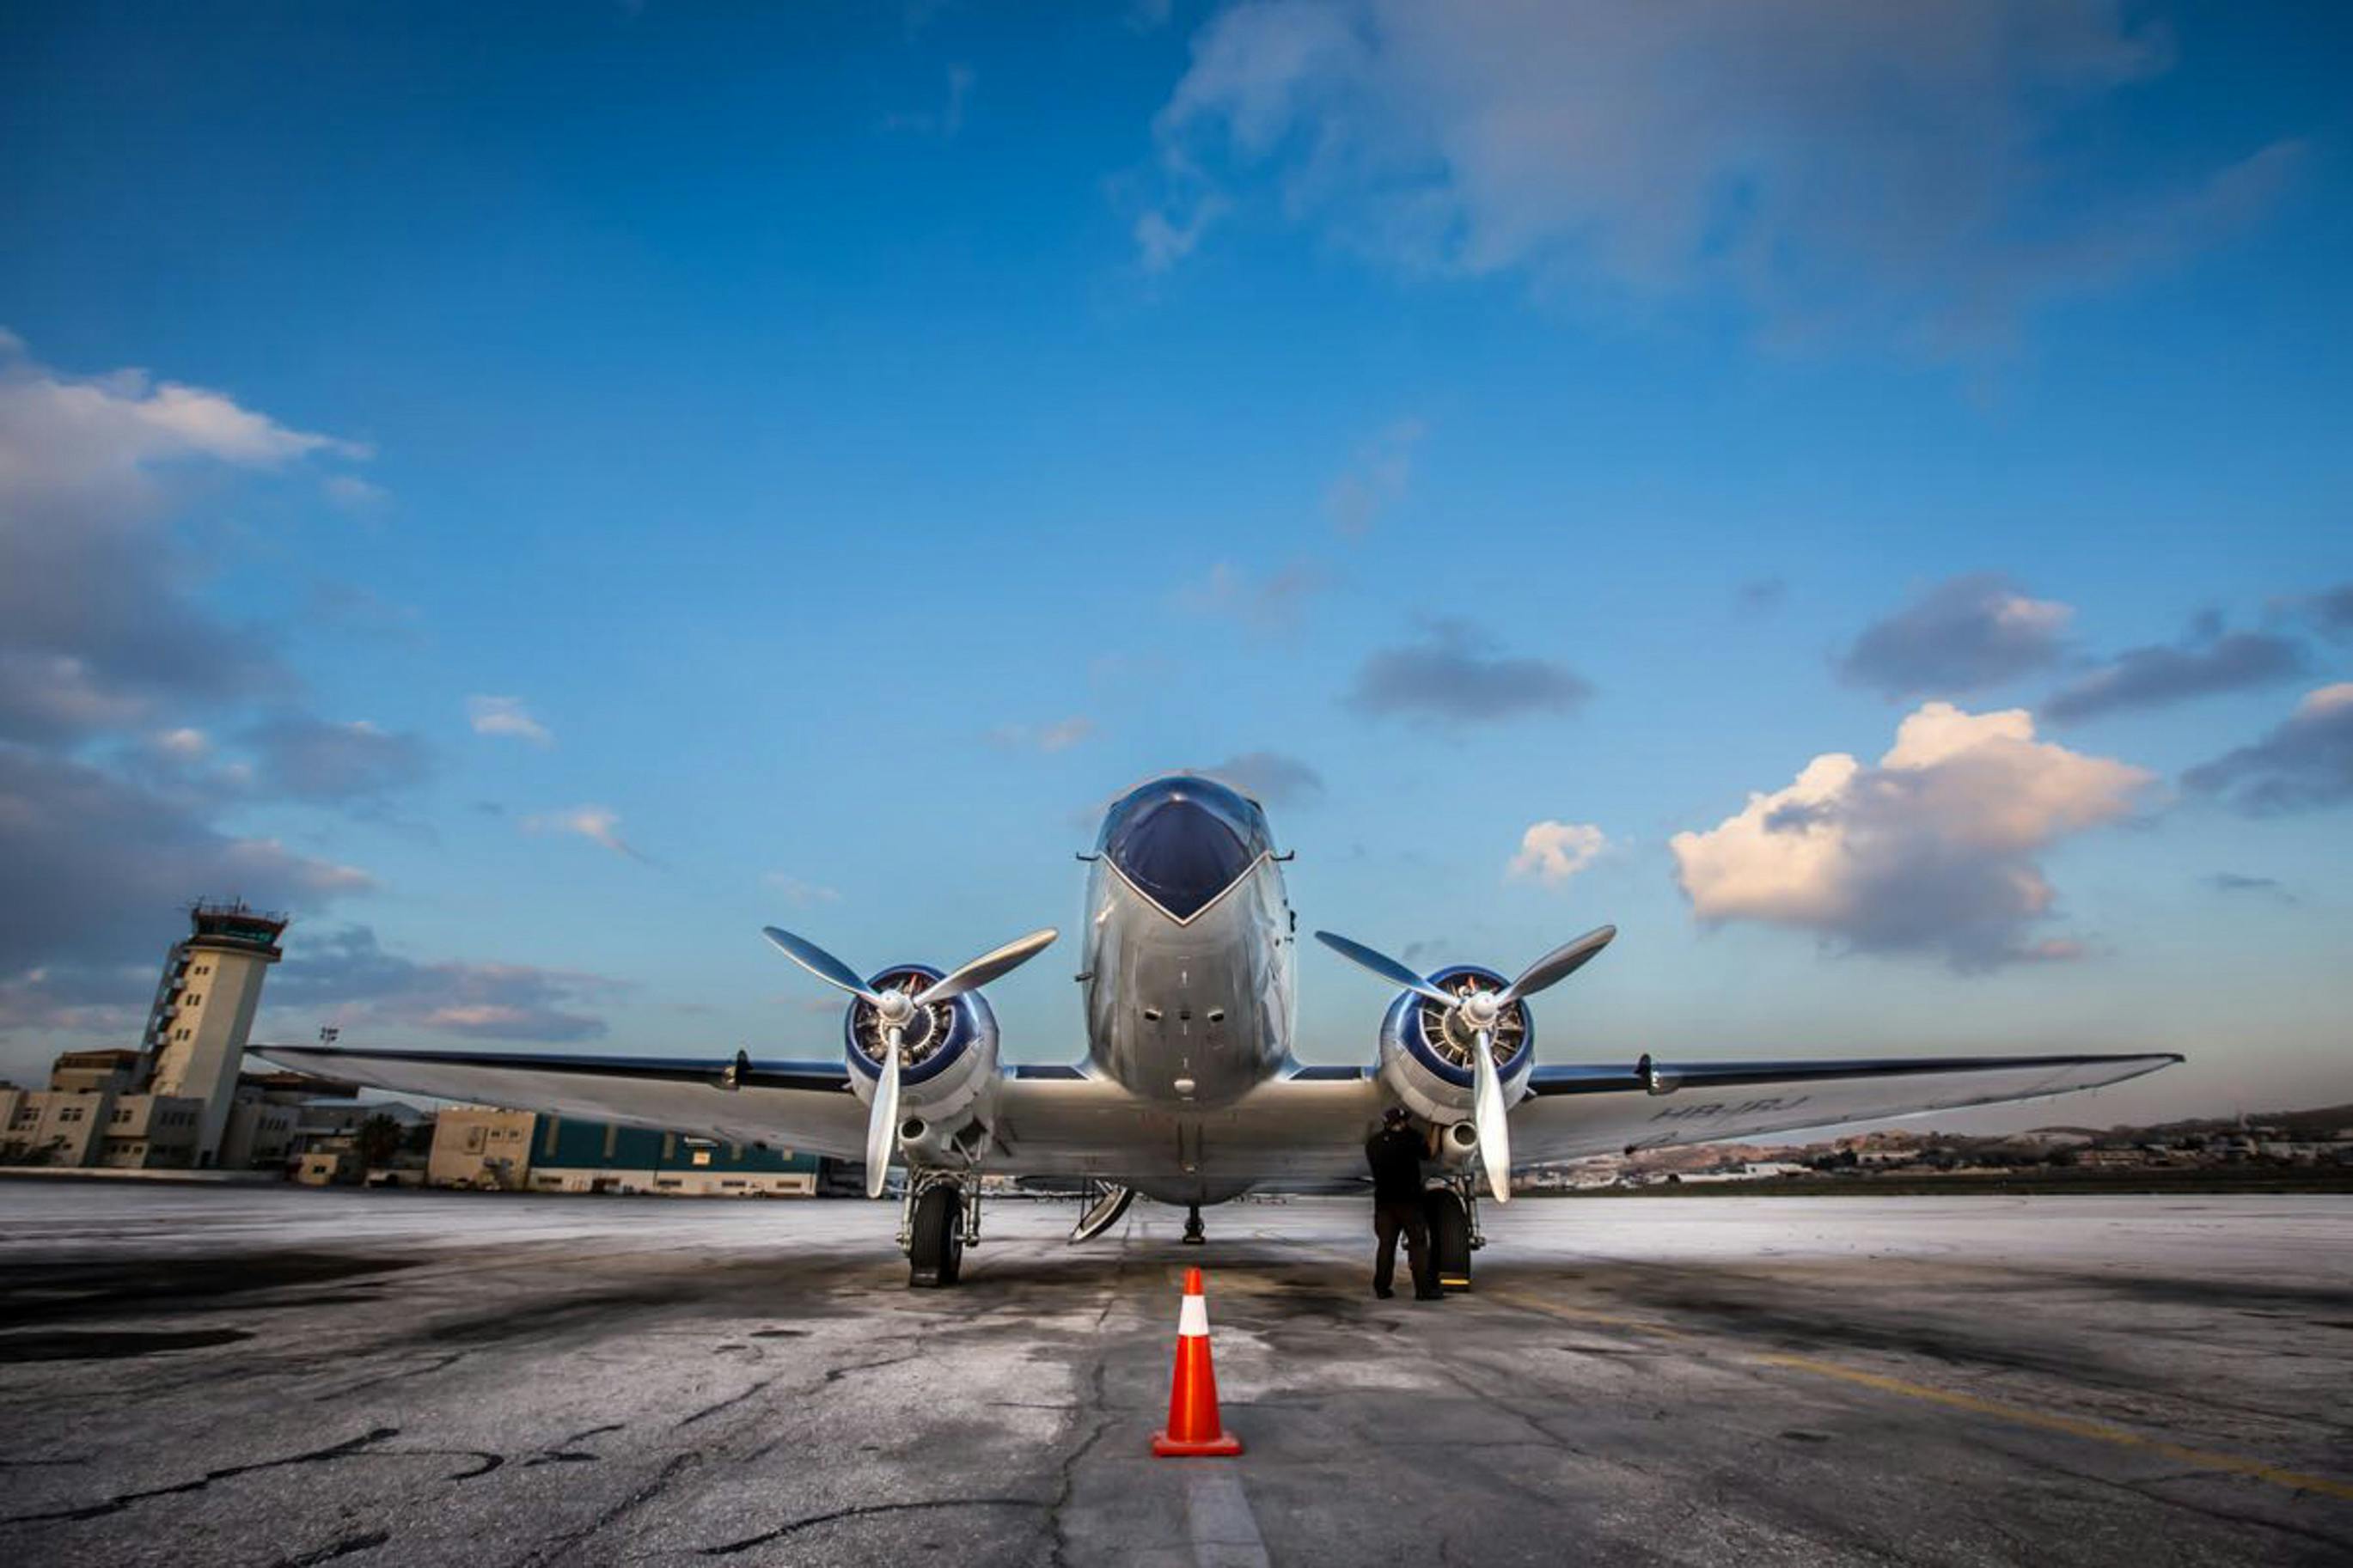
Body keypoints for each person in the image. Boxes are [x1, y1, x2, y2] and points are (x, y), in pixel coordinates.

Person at [1365, 1107, 1439, 1300]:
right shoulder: (1410, 1139)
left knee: (1386, 1246)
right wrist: (1436, 1127)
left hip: (1384, 1203)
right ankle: (1423, 1290)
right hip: (1410, 1202)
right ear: (1402, 1122)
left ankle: (1381, 1288)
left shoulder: (1373, 1144)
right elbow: (1430, 1152)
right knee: (1418, 1246)